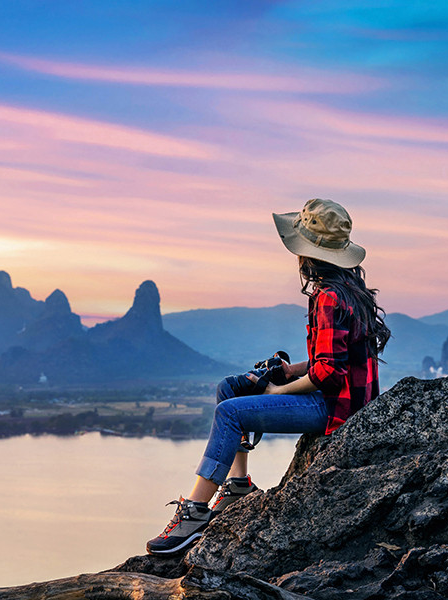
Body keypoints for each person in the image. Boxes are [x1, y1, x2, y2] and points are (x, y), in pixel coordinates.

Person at [146, 198, 390, 555]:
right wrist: (291, 370)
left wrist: (280, 390)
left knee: (229, 412)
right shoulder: (349, 291)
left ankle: (195, 514)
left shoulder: (328, 297)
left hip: (336, 409)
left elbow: (329, 373)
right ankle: (237, 485)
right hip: (344, 399)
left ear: (307, 254)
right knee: (229, 388)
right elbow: (334, 359)